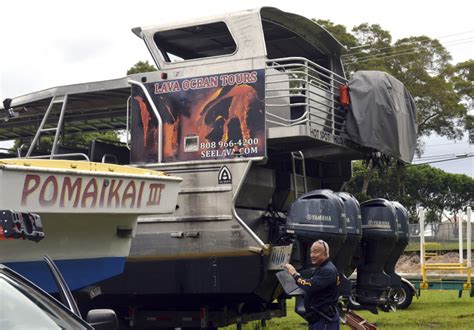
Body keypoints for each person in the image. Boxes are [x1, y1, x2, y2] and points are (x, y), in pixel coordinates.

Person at [284, 240, 340, 330]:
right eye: (311, 252)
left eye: (315, 252)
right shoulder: (323, 267)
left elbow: (310, 285)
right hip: (318, 317)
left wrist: (295, 274)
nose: (312, 255)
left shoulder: (327, 270)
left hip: (324, 319)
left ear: (325, 253)